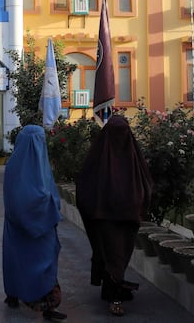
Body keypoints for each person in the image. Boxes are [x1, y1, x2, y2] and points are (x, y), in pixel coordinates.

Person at [75, 115, 153, 317]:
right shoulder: (101, 158)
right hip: (107, 220)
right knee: (114, 256)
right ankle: (115, 297)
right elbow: (84, 185)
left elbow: (146, 183)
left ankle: (111, 289)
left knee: (117, 256)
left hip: (124, 219)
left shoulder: (119, 156)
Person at [2, 125, 66, 321]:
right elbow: (43, 194)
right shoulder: (39, 165)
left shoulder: (13, 165)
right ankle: (48, 305)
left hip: (16, 227)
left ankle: (13, 295)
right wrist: (49, 208)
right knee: (44, 262)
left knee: (16, 261)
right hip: (41, 226)